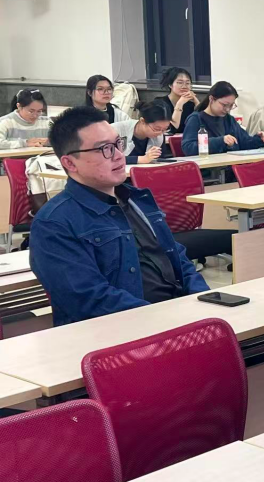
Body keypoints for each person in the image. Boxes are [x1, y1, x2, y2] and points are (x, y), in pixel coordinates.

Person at [28, 107, 209, 326]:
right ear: (69, 163)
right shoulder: (54, 223)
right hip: (123, 332)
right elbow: (88, 299)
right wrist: (165, 319)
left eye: (117, 144)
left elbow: (178, 259)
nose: (118, 155)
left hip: (177, 318)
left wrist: (203, 303)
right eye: (104, 149)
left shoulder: (137, 199)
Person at [182, 81, 264, 156]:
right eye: (224, 105)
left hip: (230, 166)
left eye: (231, 105)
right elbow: (188, 148)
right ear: (211, 99)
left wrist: (258, 139)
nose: (227, 109)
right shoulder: (196, 119)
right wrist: (221, 141)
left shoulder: (229, 120)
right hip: (208, 167)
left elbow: (244, 142)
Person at [153, 67, 199, 135]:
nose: (184, 86)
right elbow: (170, 130)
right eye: (180, 82)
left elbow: (203, 125)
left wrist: (196, 101)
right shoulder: (160, 103)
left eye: (187, 83)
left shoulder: (190, 105)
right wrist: (180, 104)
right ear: (170, 85)